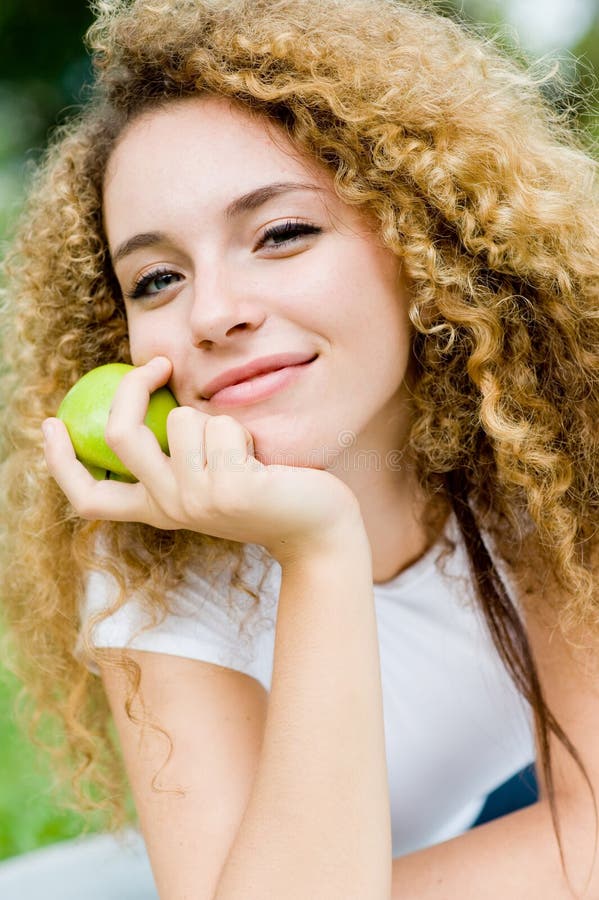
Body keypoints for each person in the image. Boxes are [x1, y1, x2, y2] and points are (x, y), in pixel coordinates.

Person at [1, 0, 598, 896]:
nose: (211, 314)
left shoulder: (550, 449)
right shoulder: (151, 543)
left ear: (424, 240)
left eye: (282, 233)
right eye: (157, 279)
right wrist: (317, 544)